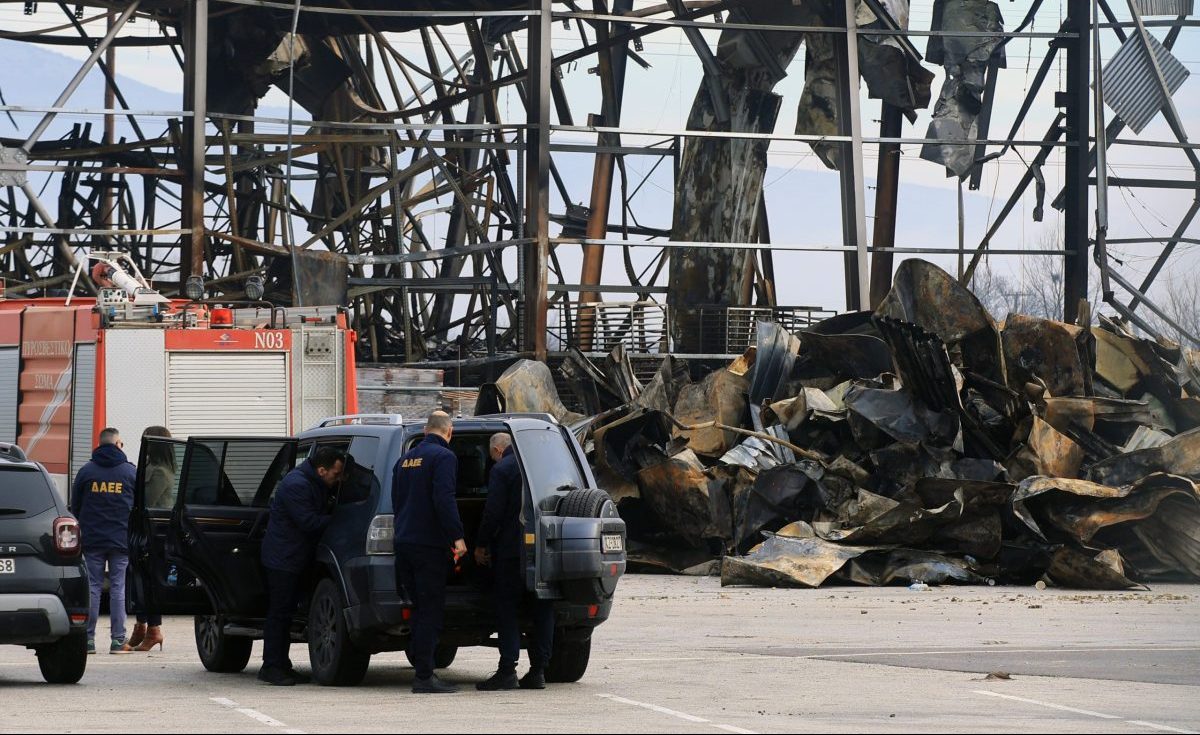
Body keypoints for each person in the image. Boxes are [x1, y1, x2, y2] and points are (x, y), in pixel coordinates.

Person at [257, 445, 346, 686]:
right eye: (335, 474)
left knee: (285, 614)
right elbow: (308, 522)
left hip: (293, 557)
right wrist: (340, 518)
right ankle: (271, 666)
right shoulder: (297, 484)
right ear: (321, 470)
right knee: (279, 613)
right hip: (283, 559)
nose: (337, 480)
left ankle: (282, 664)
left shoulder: (311, 482)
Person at [393, 411, 466, 694]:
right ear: (449, 433)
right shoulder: (444, 458)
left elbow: (397, 501)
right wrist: (457, 537)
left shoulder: (403, 461)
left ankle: (422, 669)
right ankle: (424, 676)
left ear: (426, 431)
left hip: (405, 543)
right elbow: (444, 499)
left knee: (418, 608)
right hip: (428, 546)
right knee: (430, 610)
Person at [474, 433, 554, 691]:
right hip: (543, 549)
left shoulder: (503, 468)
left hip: (511, 551)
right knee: (542, 607)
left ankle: (507, 670)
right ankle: (539, 671)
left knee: (507, 608)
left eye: (492, 455)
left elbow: (493, 512)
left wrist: (481, 543)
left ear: (498, 450)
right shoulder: (539, 466)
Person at [70, 427, 137, 655]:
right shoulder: (130, 473)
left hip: (93, 540)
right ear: (118, 444)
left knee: (94, 588)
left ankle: (87, 641)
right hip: (121, 540)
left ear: (100, 444)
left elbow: (75, 506)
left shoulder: (86, 471)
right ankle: (118, 641)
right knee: (118, 588)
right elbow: (139, 509)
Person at [119, 426, 175, 653]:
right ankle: (142, 628)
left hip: (155, 533)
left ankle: (153, 630)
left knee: (150, 582)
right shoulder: (152, 467)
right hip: (144, 531)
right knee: (139, 580)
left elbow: (146, 501)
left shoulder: (160, 471)